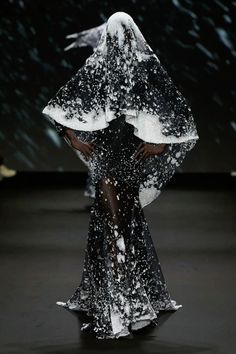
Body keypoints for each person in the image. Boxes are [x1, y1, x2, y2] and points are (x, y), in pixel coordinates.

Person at [42, 11, 199, 339]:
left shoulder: (118, 66)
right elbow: (173, 110)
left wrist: (74, 138)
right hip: (116, 157)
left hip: (120, 157)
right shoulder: (133, 66)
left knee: (118, 223)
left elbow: (174, 109)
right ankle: (122, 304)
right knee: (115, 223)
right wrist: (159, 144)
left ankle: (122, 305)